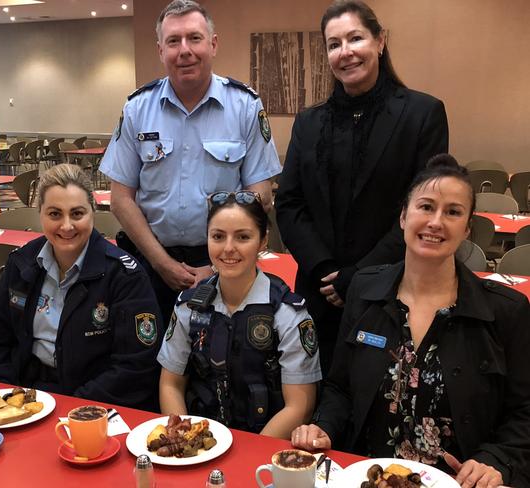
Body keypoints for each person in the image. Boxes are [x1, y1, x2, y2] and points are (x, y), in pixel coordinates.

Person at [291, 155, 530, 487]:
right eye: (426, 207)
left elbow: (523, 414)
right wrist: (324, 427)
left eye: (453, 212)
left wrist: (495, 461)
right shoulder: (364, 290)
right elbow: (340, 387)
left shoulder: (507, 310)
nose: (436, 221)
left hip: (457, 482)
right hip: (368, 477)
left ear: (467, 229)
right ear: (403, 216)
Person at [275, 0, 449, 373]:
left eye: (355, 38)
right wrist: (325, 269)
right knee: (315, 401)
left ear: (380, 41)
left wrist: (362, 274)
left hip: (390, 287)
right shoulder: (308, 123)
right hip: (318, 291)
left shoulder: (423, 114)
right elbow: (289, 203)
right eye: (334, 44)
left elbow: (422, 208)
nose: (345, 52)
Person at [99, 0, 281, 325]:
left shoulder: (245, 107)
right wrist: (162, 263)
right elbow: (120, 199)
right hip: (150, 264)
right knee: (148, 361)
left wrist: (216, 265)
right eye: (173, 41)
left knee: (220, 362)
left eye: (194, 38)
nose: (185, 50)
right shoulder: (137, 109)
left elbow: (260, 197)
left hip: (226, 266)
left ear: (213, 44)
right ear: (160, 50)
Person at [0, 164, 163, 411]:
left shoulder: (125, 276)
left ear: (92, 213)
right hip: (26, 399)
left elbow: (135, 366)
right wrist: (7, 396)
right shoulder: (21, 264)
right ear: (39, 213)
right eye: (54, 214)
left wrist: (72, 407)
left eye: (77, 214)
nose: (66, 226)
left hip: (94, 403)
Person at [158, 191, 321, 439]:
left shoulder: (288, 313)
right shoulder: (188, 306)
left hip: (265, 450)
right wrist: (183, 442)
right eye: (218, 236)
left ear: (263, 240)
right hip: (200, 443)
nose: (228, 248)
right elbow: (171, 384)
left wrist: (250, 457)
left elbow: (299, 407)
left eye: (243, 237)